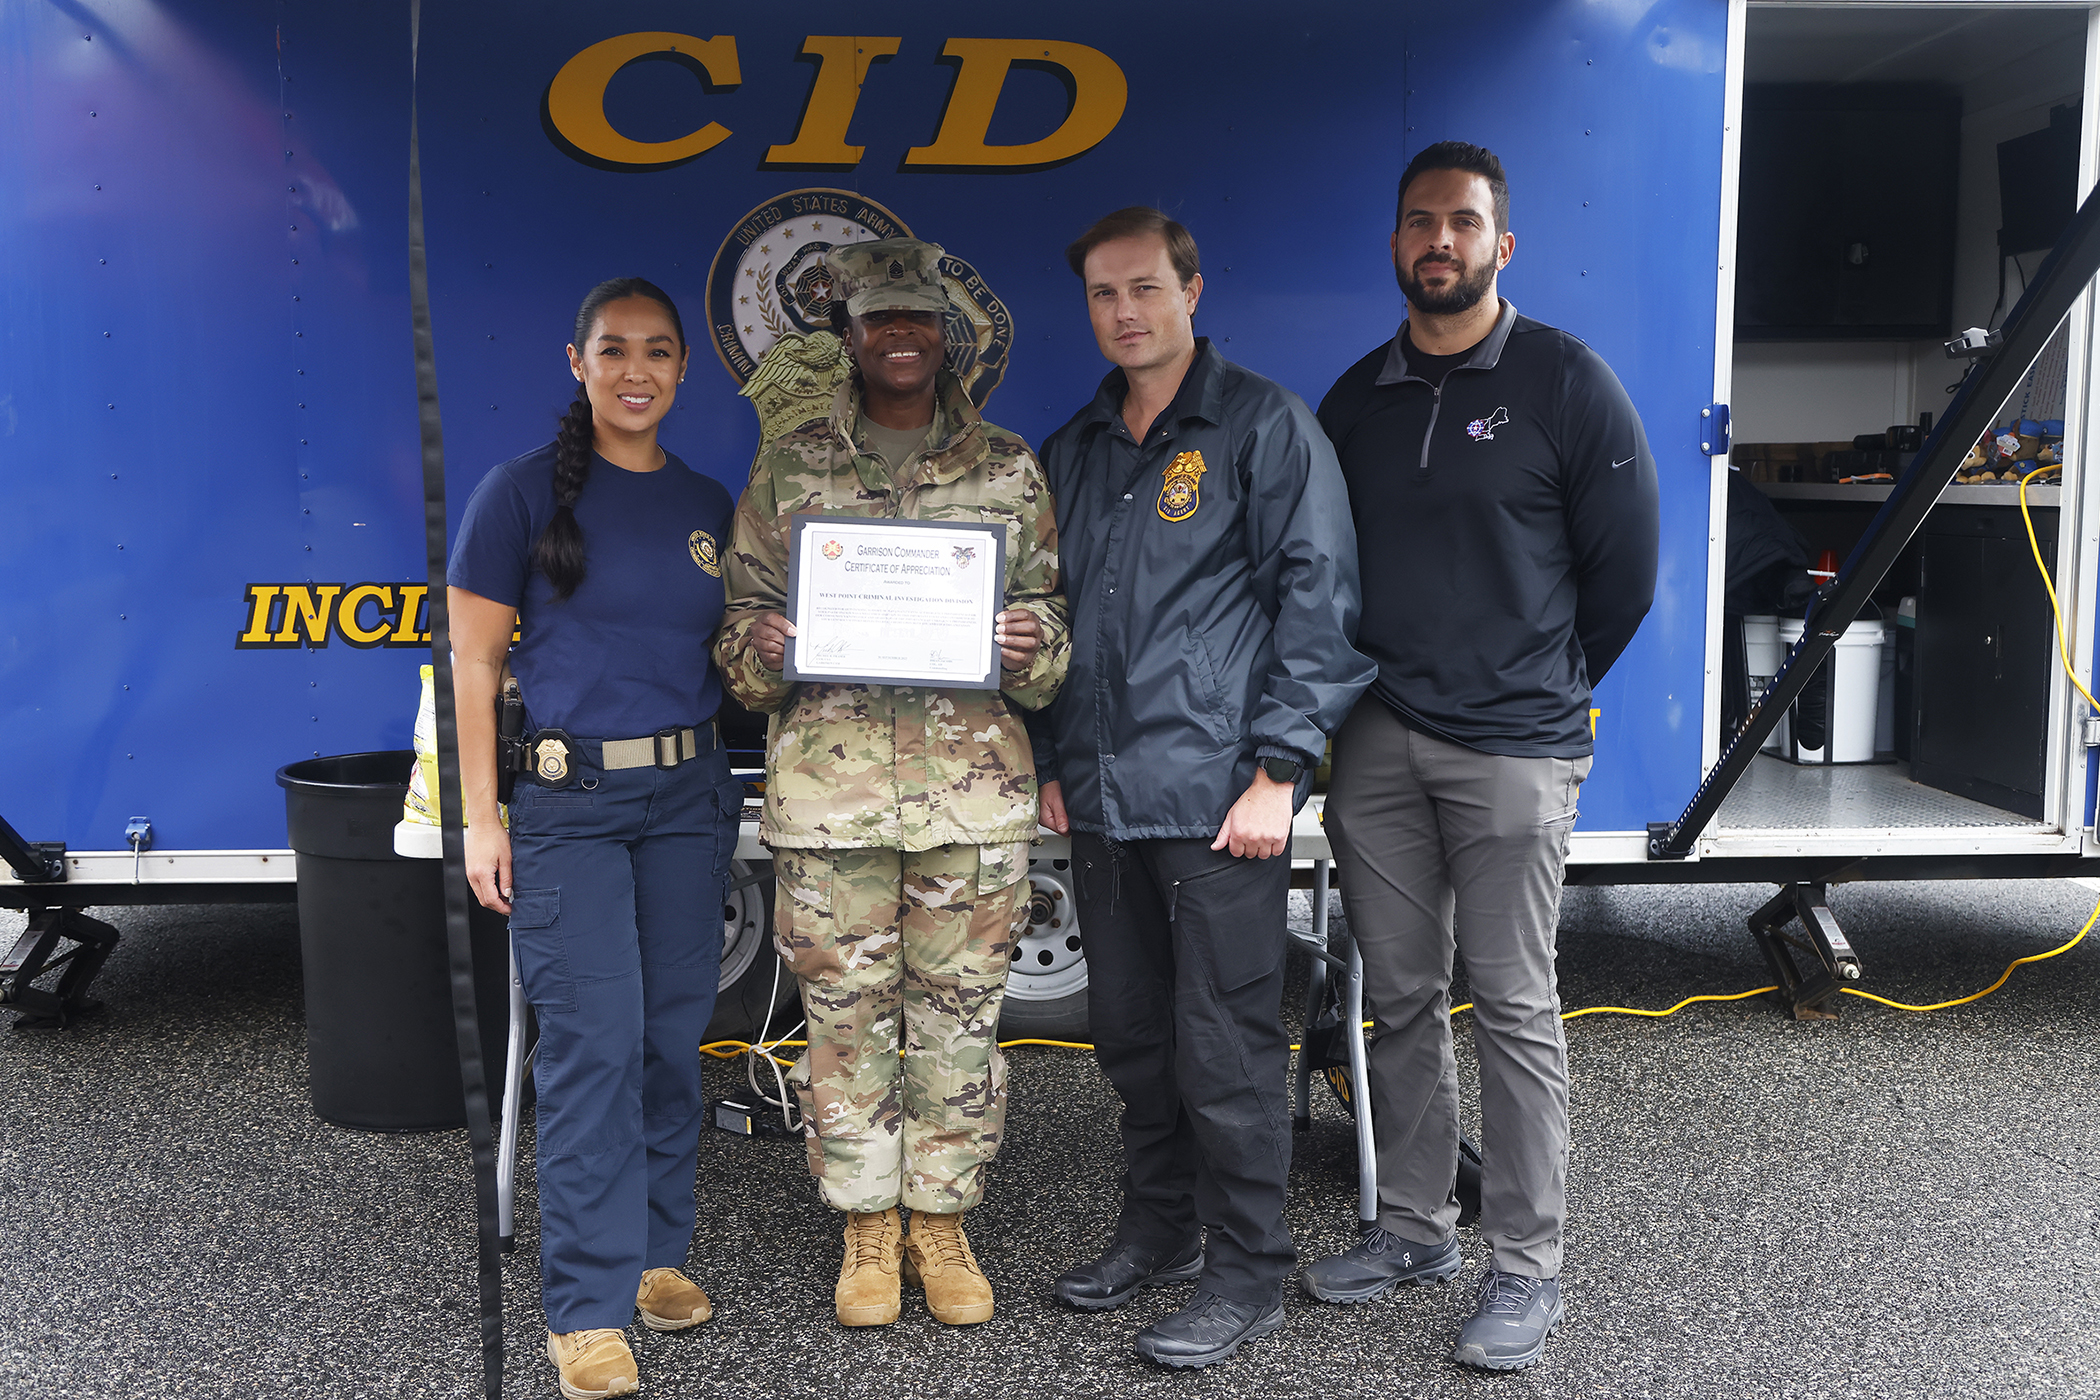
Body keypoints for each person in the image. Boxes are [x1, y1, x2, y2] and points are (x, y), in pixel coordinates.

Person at [1300, 141, 1660, 1372]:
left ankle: (1524, 1265)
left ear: (1502, 243)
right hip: (1380, 742)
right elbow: (1325, 575)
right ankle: (1414, 1224)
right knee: (1396, 996)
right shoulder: (1355, 399)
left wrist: (1539, 687)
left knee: (1512, 1004)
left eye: (1462, 222)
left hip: (1514, 746)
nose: (1437, 241)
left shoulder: (1568, 382)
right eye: (1418, 222)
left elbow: (1624, 576)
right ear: (1395, 242)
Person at [1032, 207, 1375, 1369]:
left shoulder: (1263, 427)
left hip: (1223, 798)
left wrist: (1281, 768)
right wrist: (1052, 762)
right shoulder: (1073, 448)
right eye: (1101, 295)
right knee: (1131, 1035)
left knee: (1222, 1043)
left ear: (1191, 291)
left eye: (1144, 288)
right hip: (1105, 797)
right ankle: (1162, 1227)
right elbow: (1047, 623)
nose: (1123, 312)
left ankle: (1249, 1266)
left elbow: (1318, 605)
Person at [713, 238, 1069, 1330]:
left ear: (943, 332)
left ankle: (941, 1218)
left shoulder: (1008, 464)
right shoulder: (790, 467)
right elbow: (734, 642)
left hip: (968, 804)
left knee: (961, 1017)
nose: (900, 335)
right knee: (845, 1019)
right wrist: (766, 643)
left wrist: (1028, 641)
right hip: (836, 805)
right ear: (850, 334)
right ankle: (867, 1221)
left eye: (918, 317)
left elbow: (1056, 629)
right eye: (878, 319)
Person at [449, 278, 742, 1399]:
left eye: (658, 352)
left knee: (673, 1037)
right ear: (577, 362)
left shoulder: (709, 501)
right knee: (593, 1048)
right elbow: (473, 662)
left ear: (682, 369)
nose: (637, 371)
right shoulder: (519, 494)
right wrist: (486, 815)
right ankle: (584, 1302)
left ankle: (660, 1251)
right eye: (613, 349)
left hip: (688, 799)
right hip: (569, 806)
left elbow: (739, 652)